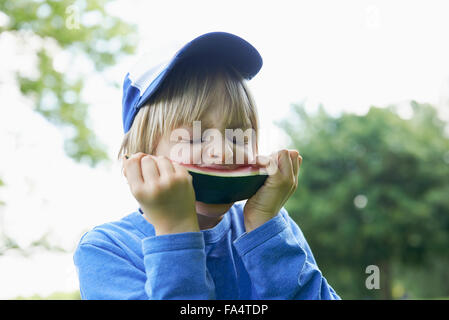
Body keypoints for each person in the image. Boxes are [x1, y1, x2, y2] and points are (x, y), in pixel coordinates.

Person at [73, 32, 341, 300]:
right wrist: (175, 232)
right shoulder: (106, 249)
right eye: (193, 138)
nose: (223, 151)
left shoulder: (271, 225)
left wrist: (265, 230)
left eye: (239, 135)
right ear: (140, 158)